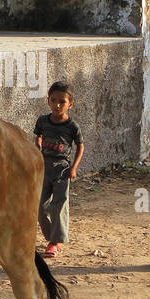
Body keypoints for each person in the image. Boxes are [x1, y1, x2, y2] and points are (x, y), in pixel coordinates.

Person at [33, 81, 84, 259]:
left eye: (62, 101)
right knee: (40, 206)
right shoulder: (42, 121)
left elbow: (80, 147)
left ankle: (55, 242)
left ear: (70, 104)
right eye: (53, 100)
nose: (57, 105)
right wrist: (37, 152)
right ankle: (52, 236)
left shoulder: (72, 126)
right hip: (43, 169)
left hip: (62, 170)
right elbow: (38, 137)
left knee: (59, 204)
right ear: (48, 101)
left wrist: (74, 167)